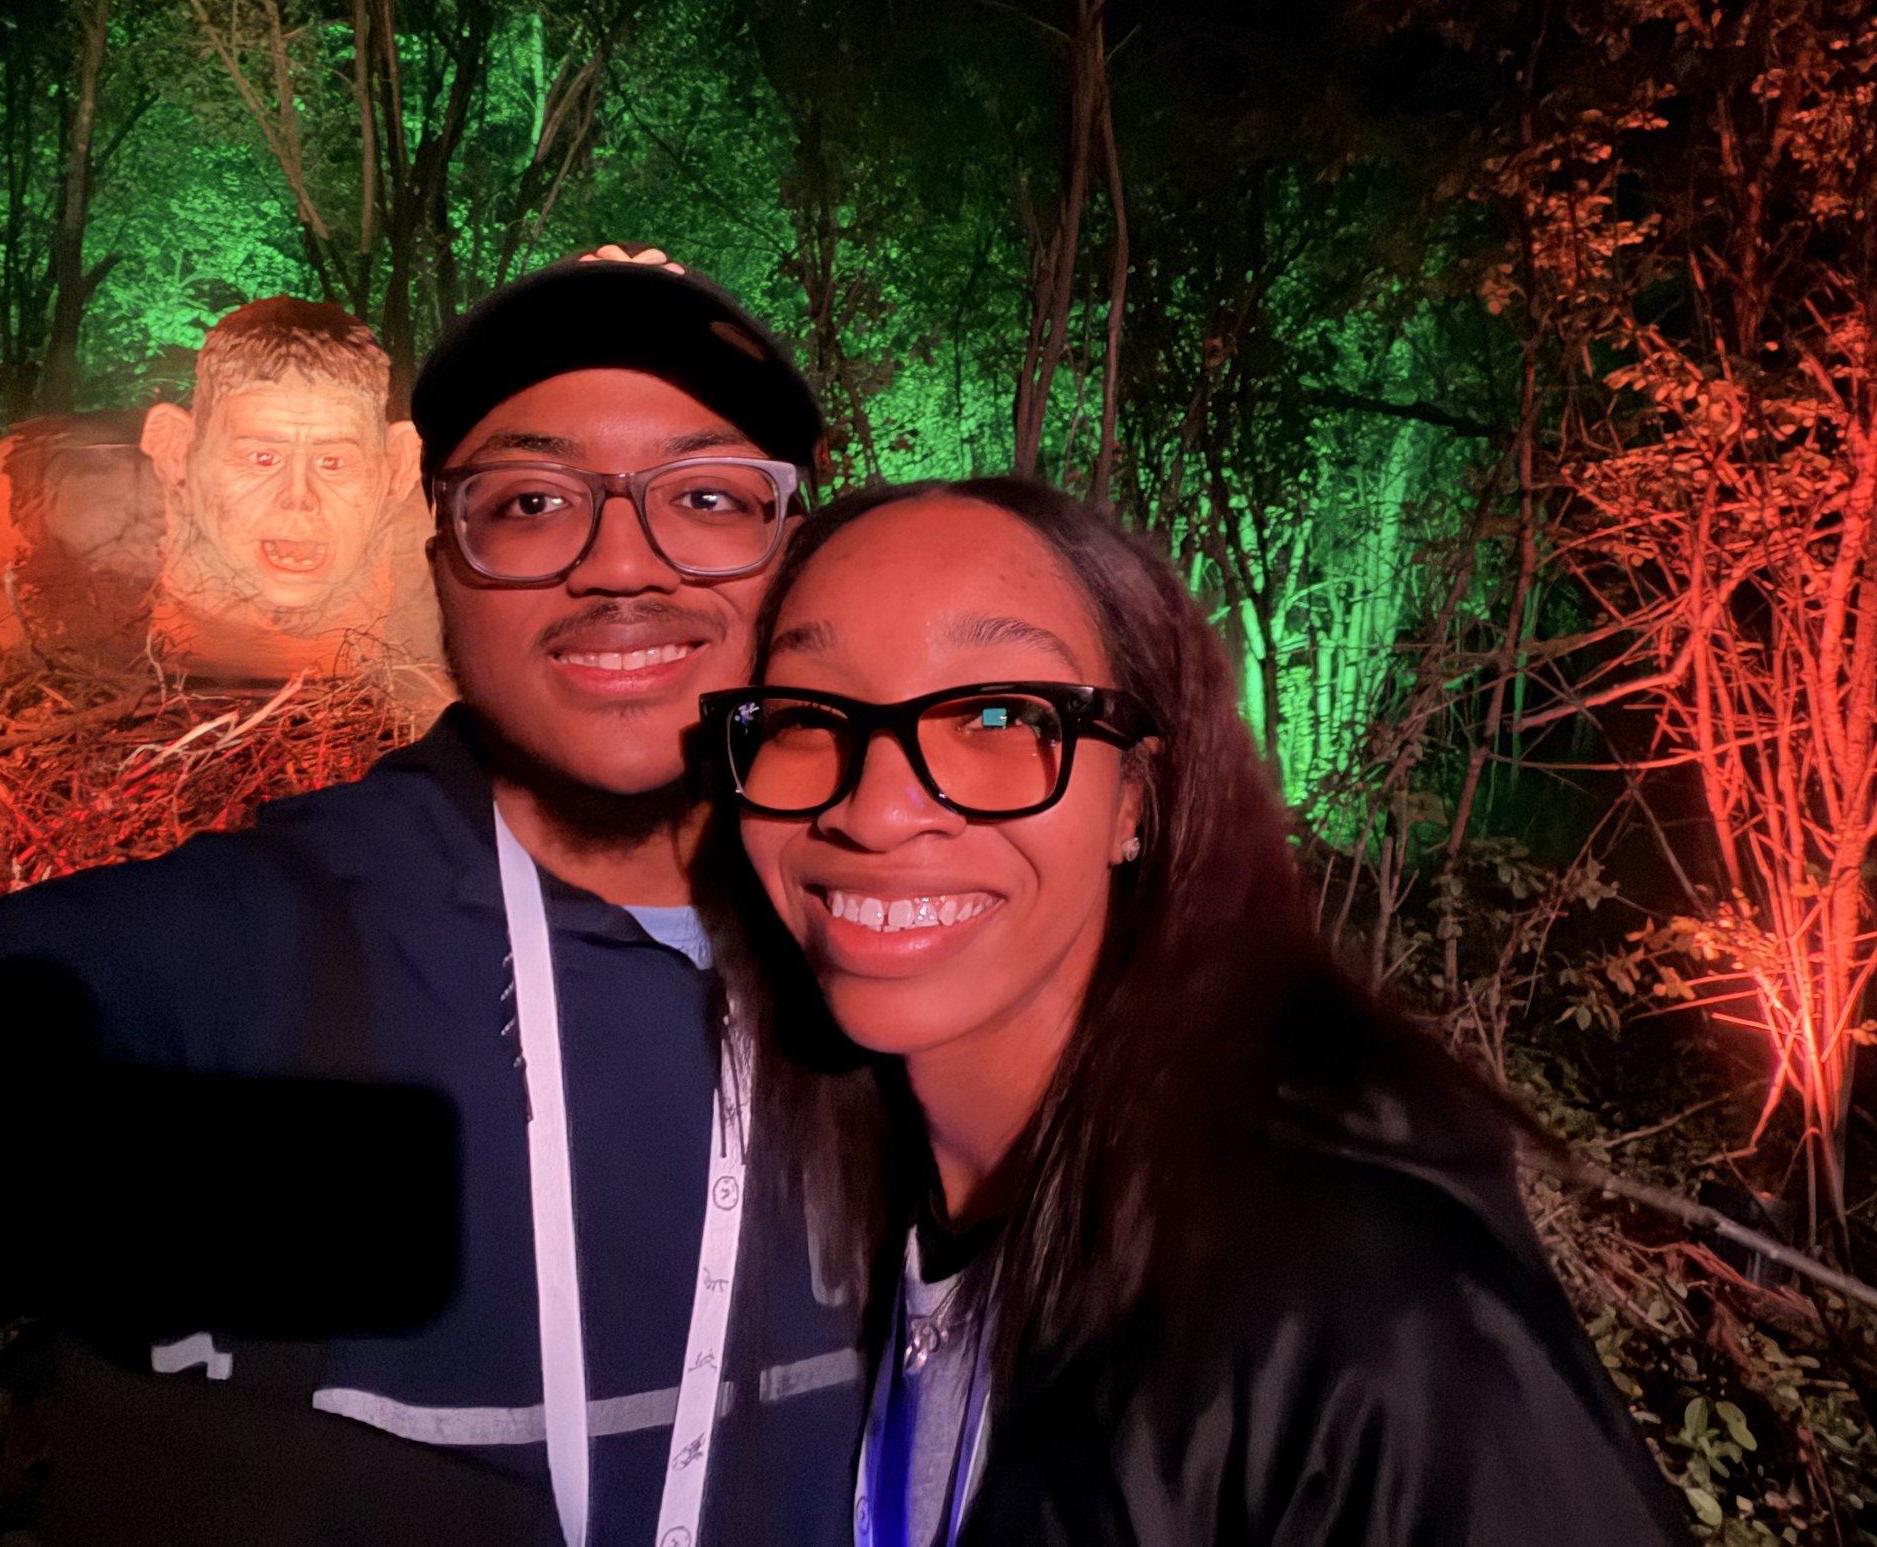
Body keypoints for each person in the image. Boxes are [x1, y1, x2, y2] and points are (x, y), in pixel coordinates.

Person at [0, 248, 864, 1546]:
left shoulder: (907, 952)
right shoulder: (261, 930)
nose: (622, 562)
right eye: (534, 501)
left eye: (703, 493)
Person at [696, 477, 1688, 1545]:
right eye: (804, 714)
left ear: (1136, 798)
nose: (877, 806)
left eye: (995, 715)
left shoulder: (1363, 1311)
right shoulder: (828, 1206)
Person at [0, 297, 448, 711]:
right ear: (176, 451)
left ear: (395, 466)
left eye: (334, 462)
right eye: (261, 459)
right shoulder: (29, 510)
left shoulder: (443, 557)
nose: (300, 500)